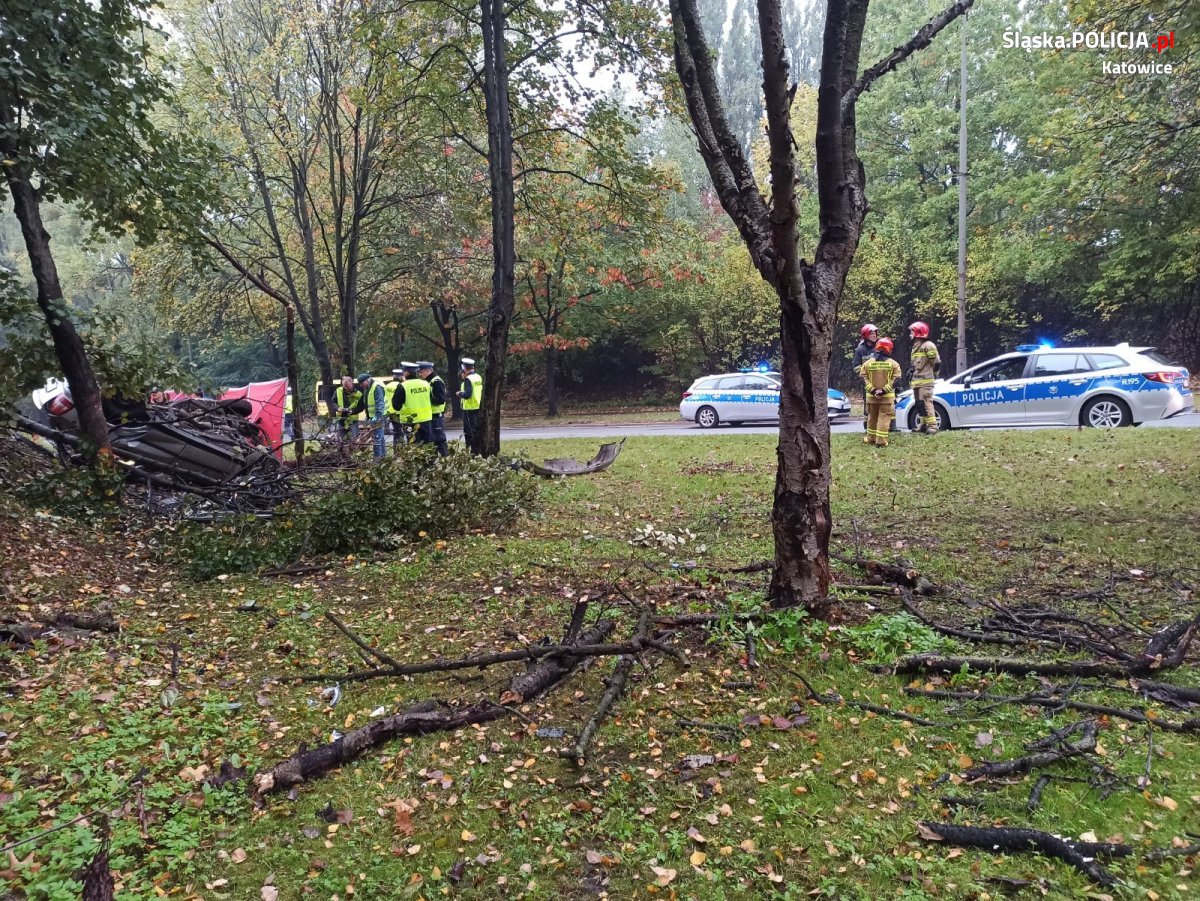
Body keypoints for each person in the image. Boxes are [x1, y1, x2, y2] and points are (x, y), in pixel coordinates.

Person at [858, 336, 903, 447]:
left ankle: (871, 438)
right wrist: (883, 391)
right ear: (888, 349)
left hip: (871, 397)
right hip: (886, 399)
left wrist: (873, 390)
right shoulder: (894, 364)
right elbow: (896, 380)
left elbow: (862, 378)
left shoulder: (867, 363)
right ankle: (881, 441)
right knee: (884, 417)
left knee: (872, 418)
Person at [907, 320, 941, 434]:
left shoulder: (928, 345)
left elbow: (936, 363)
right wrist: (911, 371)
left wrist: (935, 375)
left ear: (918, 332)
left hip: (926, 381)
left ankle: (932, 426)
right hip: (917, 381)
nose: (910, 334)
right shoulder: (915, 346)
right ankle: (923, 425)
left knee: (926, 403)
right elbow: (914, 364)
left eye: (912, 332)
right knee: (919, 404)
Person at [391, 362, 433, 447]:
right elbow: (432, 399)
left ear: (407, 373)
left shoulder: (403, 386)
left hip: (410, 421)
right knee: (427, 445)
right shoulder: (426, 383)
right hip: (426, 419)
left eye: (404, 372)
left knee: (413, 446)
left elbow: (396, 406)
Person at [419, 361, 450, 457]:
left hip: (436, 416)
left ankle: (446, 460)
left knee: (440, 441)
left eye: (421, 372)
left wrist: (426, 398)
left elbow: (441, 400)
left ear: (428, 371)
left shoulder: (436, 382)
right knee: (431, 441)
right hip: (431, 416)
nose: (420, 374)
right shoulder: (429, 381)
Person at [355, 372, 388, 459]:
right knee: (380, 438)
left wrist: (377, 417)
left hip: (379, 417)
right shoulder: (367, 388)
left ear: (367, 380)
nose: (361, 385)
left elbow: (379, 403)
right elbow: (367, 403)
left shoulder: (376, 387)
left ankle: (376, 460)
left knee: (376, 438)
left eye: (362, 383)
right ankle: (383, 457)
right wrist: (368, 416)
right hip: (373, 417)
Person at [457, 357, 482, 450]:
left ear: (465, 369)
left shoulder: (468, 379)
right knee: (476, 430)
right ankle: (477, 448)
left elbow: (467, 395)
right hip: (477, 406)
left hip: (469, 408)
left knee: (469, 431)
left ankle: (471, 450)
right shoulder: (478, 377)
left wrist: (459, 393)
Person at [386, 369, 405, 452]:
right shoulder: (401, 386)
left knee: (396, 431)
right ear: (401, 376)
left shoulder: (387, 386)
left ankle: (396, 450)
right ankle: (399, 450)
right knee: (400, 431)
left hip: (391, 412)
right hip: (399, 412)